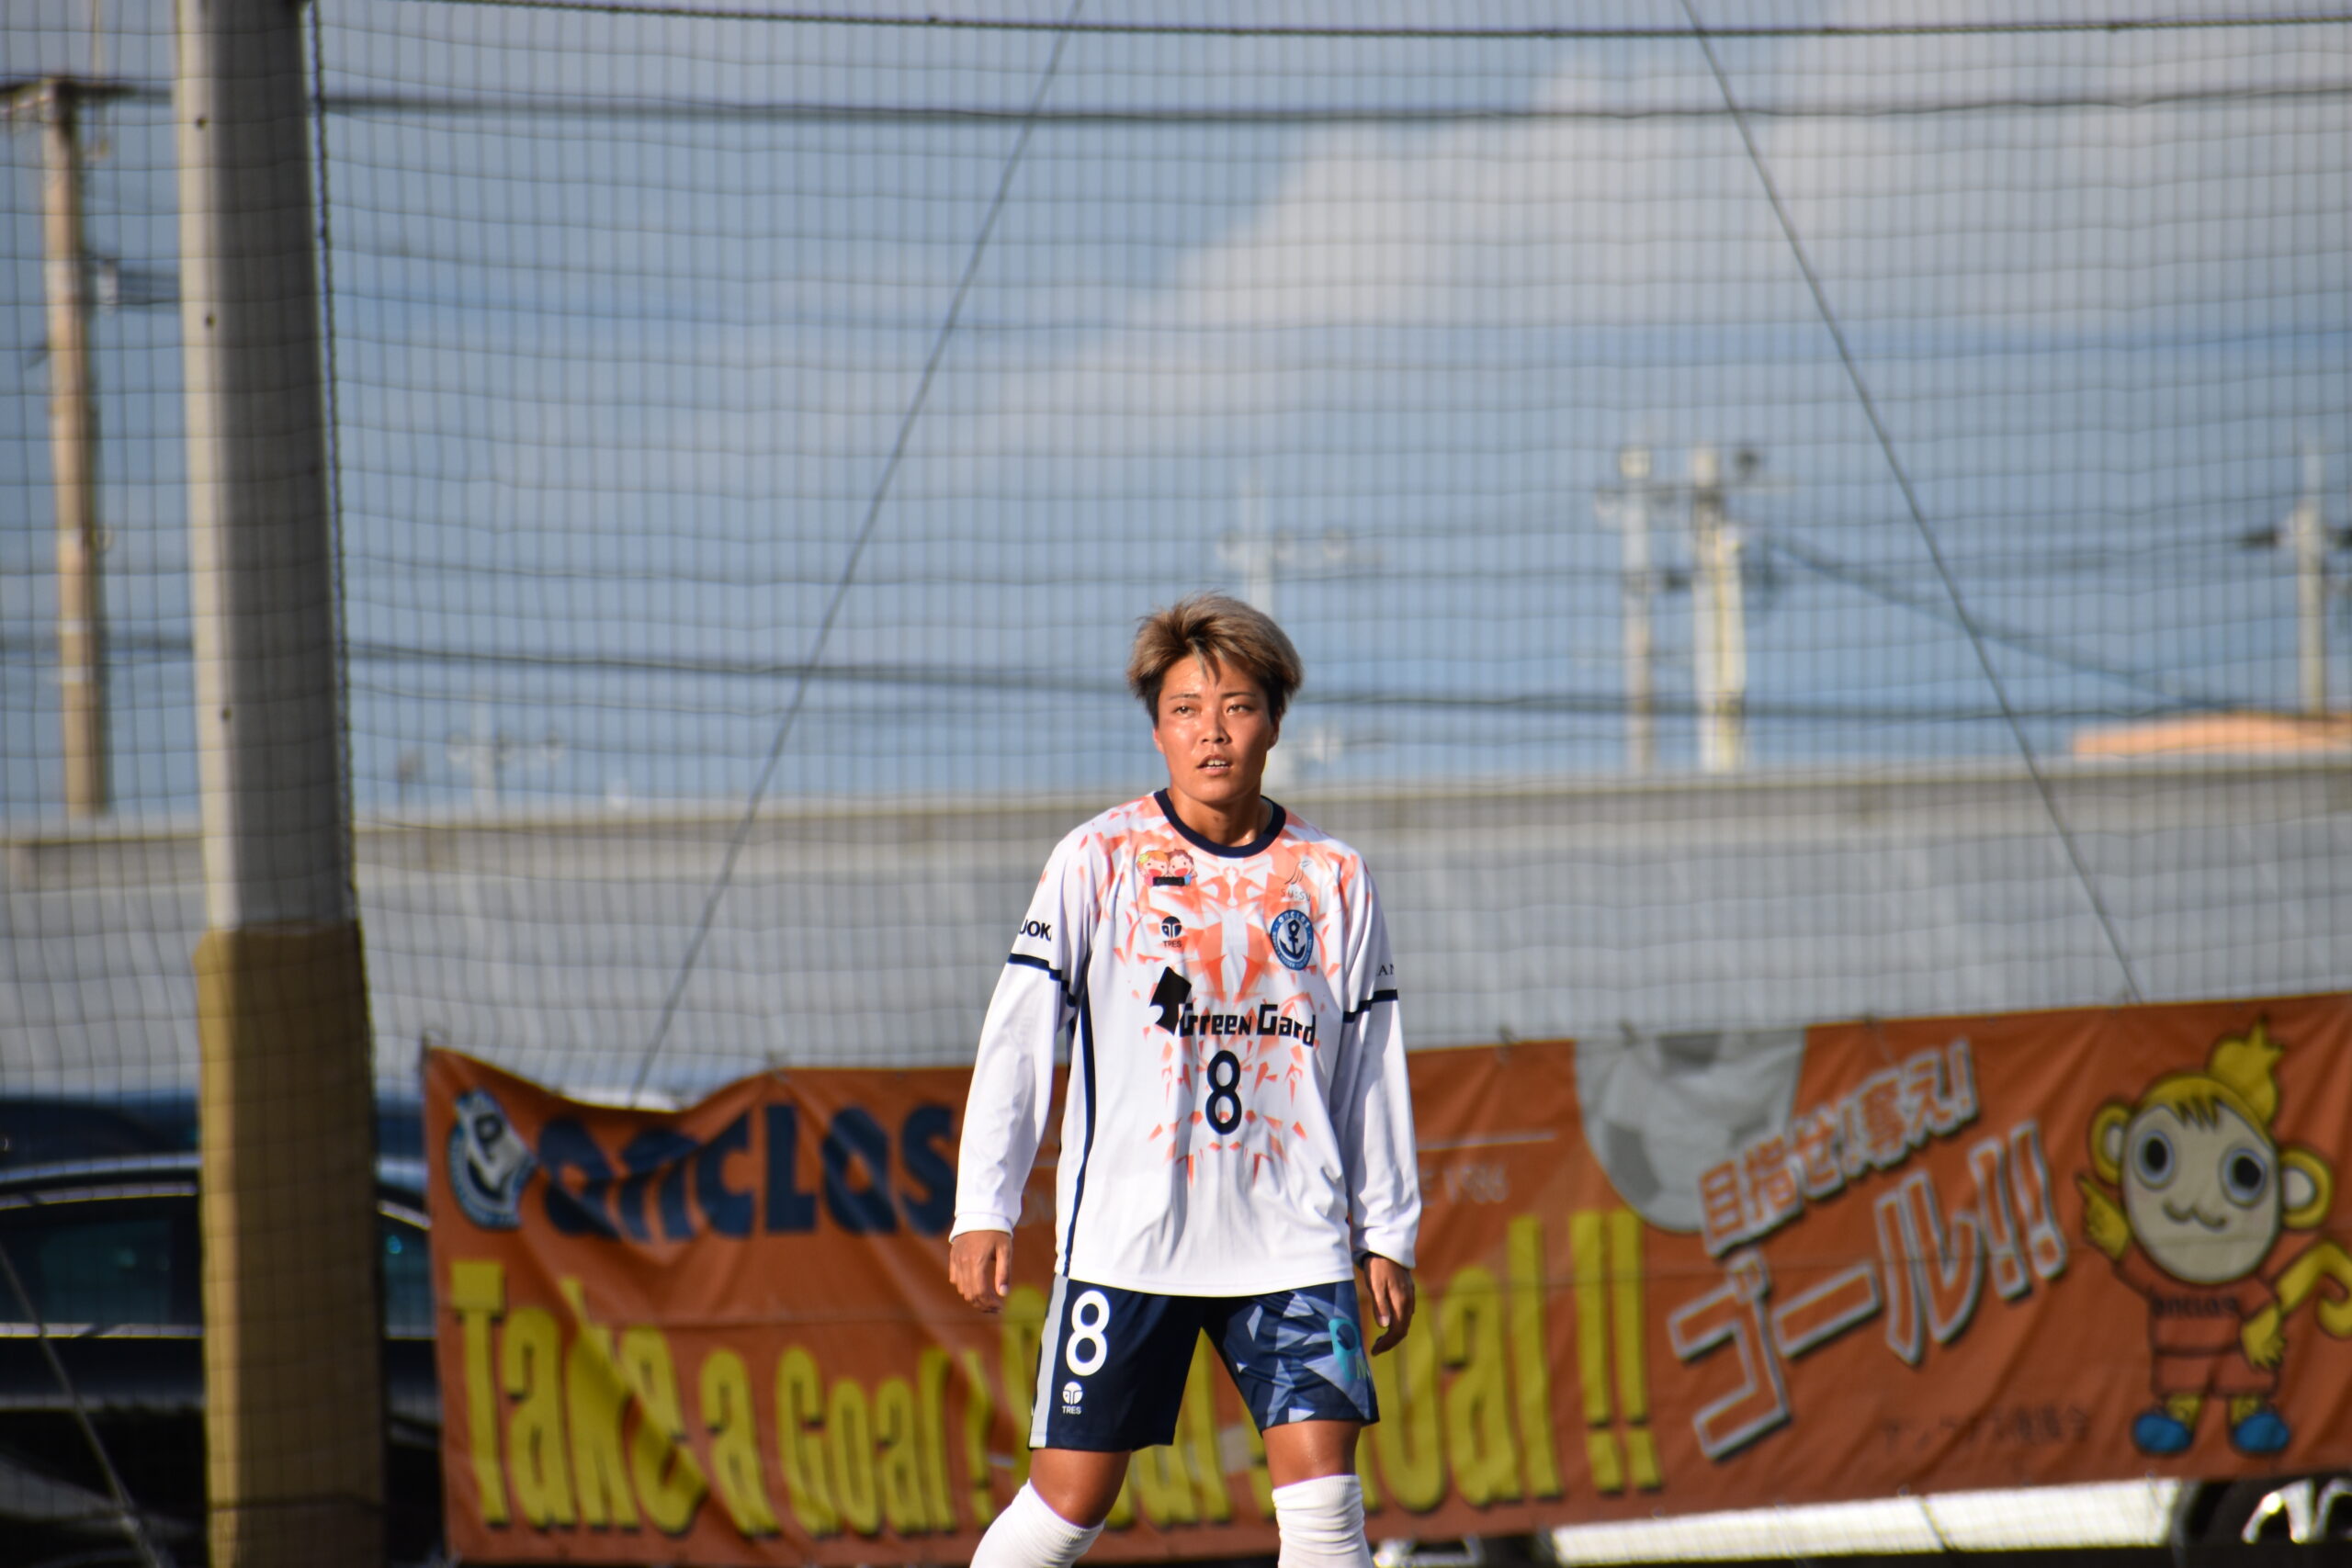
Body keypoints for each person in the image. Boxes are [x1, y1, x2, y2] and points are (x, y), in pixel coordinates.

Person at [950, 593, 1419, 1568]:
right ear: (1157, 728)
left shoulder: (1333, 876)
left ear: (1274, 721)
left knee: (1326, 1511)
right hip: (1132, 1240)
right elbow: (1018, 1038)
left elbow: (1370, 1064)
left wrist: (1385, 1229)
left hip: (1291, 1238)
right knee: (1068, 1505)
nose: (1213, 732)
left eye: (1237, 706)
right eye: (1185, 710)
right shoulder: (1098, 858)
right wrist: (983, 1206)